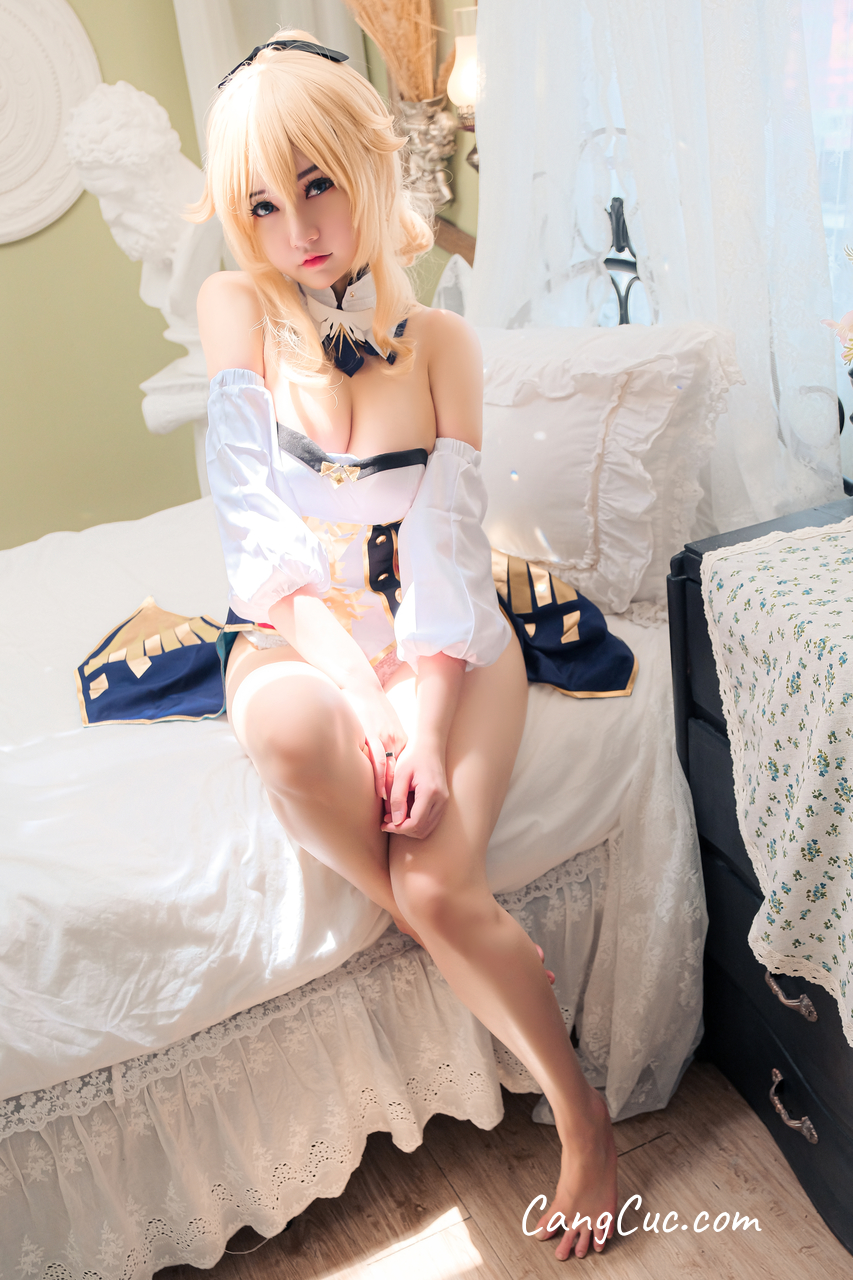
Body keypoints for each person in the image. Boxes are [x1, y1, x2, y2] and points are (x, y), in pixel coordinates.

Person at [192, 30, 617, 1261]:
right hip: (303, 630)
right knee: (288, 731)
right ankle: (468, 933)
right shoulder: (236, 308)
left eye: (318, 184)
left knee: (435, 878)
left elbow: (444, 545)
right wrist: (363, 704)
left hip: (442, 639)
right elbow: (257, 541)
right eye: (261, 205)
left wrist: (418, 722)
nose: (297, 230)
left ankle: (583, 1120)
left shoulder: (443, 341)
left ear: (371, 166)